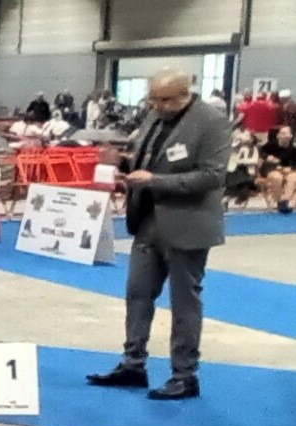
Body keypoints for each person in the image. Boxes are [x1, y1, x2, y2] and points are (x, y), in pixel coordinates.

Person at [87, 68, 231, 400]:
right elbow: (152, 158)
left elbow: (212, 176)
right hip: (148, 220)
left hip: (188, 224)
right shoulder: (154, 116)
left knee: (184, 304)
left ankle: (184, 375)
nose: (157, 105)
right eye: (153, 98)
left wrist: (153, 181)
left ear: (186, 93)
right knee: (137, 294)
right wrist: (124, 164)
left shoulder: (211, 122)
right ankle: (132, 363)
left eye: (165, 99)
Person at [260, 125, 295, 213]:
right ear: (278, 136)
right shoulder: (269, 146)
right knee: (276, 177)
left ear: (291, 136)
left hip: (289, 171)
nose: (285, 136)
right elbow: (262, 153)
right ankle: (279, 200)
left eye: (287, 134)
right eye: (282, 133)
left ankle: (285, 200)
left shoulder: (293, 149)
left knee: (293, 178)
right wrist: (267, 157)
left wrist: (290, 168)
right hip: (273, 170)